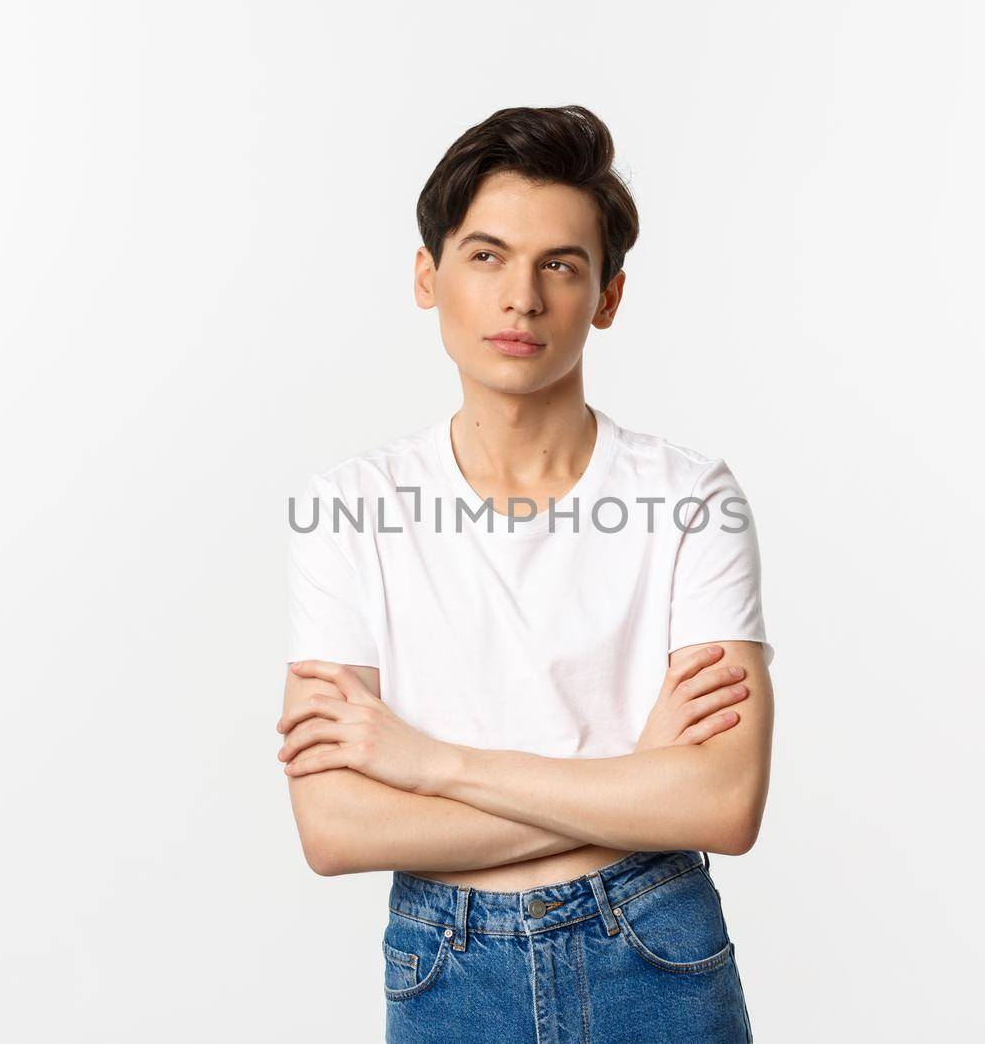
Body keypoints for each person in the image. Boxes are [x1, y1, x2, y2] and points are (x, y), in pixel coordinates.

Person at [277, 104, 772, 1043]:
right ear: (429, 276)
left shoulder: (689, 497)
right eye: (487, 255)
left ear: (609, 294)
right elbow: (337, 826)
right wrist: (633, 785)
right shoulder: (352, 507)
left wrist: (435, 767)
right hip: (448, 964)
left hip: (655, 947)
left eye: (562, 265)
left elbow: (722, 801)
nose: (523, 299)